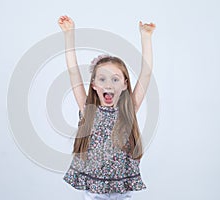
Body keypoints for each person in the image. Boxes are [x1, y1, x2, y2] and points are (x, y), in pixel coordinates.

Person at [57, 15, 156, 200]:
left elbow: (146, 75)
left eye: (115, 79)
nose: (108, 85)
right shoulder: (88, 109)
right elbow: (72, 71)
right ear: (94, 84)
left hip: (122, 189)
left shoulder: (129, 109)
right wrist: (69, 35)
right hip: (94, 190)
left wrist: (146, 38)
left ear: (125, 84)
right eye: (102, 79)